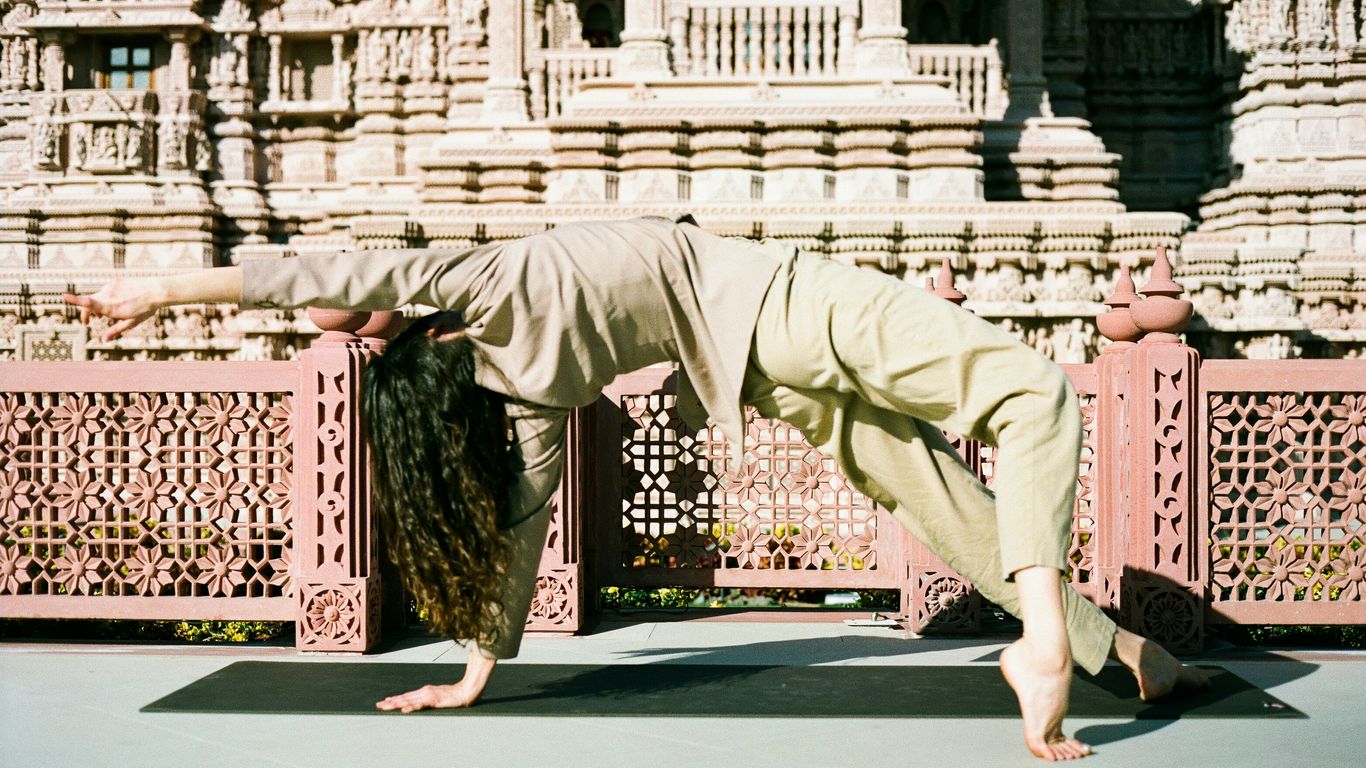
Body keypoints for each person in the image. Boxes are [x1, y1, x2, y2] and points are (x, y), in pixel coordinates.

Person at [65, 215, 1206, 761]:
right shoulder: (477, 275)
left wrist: (477, 669)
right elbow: (323, 273)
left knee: (936, 498)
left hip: (753, 373)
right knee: (1031, 396)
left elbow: (523, 519)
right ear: (405, 312)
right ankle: (1047, 637)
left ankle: (1130, 657)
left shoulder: (520, 383)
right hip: (785, 309)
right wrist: (159, 291)